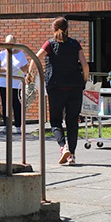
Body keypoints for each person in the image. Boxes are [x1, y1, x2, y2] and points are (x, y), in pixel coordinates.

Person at [30, 17, 89, 166]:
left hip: (56, 87)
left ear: (53, 29)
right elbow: (84, 64)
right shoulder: (75, 44)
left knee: (55, 121)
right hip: (74, 86)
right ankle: (72, 156)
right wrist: (84, 80)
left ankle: (63, 148)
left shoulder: (50, 44)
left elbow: (35, 59)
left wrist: (30, 76)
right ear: (67, 28)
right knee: (72, 121)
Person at [0, 35, 28, 134]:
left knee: (17, 104)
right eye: (8, 43)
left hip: (16, 84)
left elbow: (26, 67)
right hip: (4, 83)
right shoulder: (1, 54)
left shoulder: (20, 54)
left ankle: (18, 126)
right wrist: (6, 69)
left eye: (11, 43)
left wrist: (17, 71)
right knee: (5, 104)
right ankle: (6, 125)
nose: (10, 46)